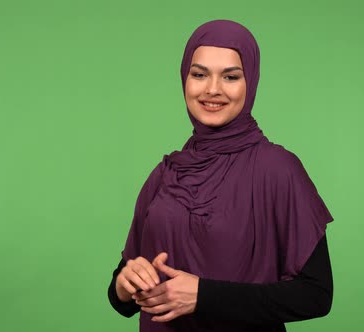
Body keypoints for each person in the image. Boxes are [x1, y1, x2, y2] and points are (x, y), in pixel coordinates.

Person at [107, 20, 334, 332]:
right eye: (199, 74)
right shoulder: (166, 174)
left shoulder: (278, 169)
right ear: (184, 79)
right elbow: (122, 298)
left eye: (230, 76)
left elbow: (316, 296)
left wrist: (204, 295)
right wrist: (124, 285)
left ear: (250, 81)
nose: (212, 89)